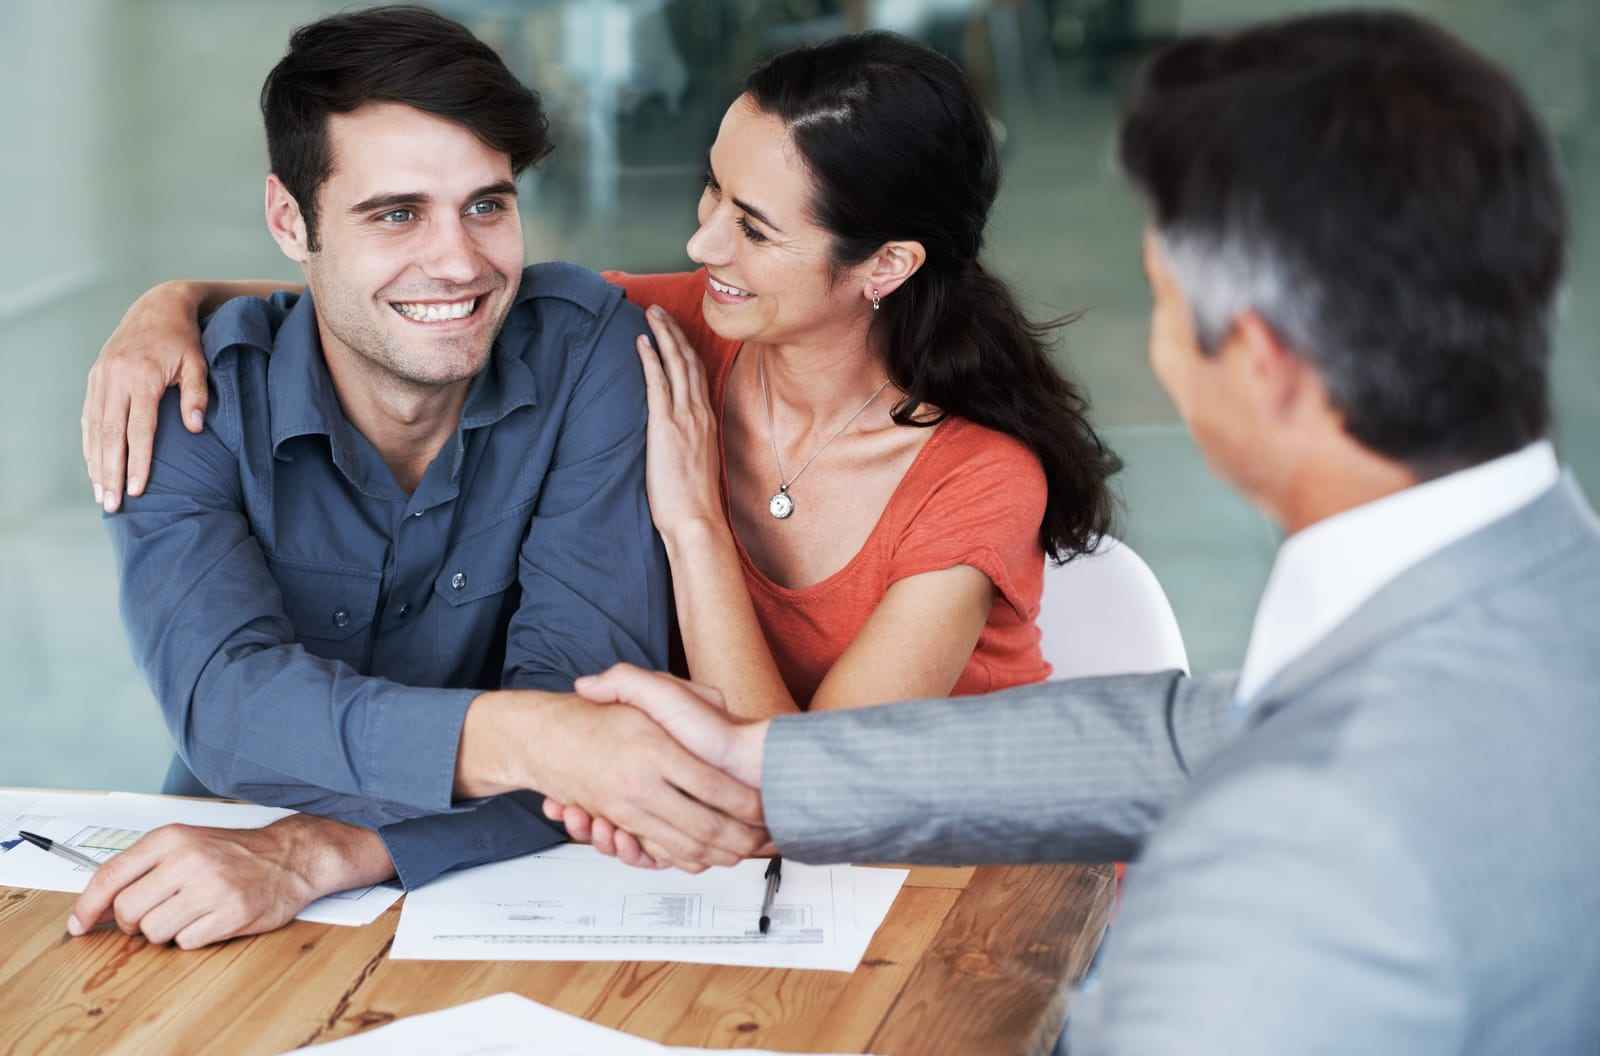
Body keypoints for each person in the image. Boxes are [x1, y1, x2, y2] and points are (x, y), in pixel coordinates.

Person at [547, 11, 1600, 1056]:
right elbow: (1192, 729)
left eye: (1164, 300)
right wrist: (779, 768)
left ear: (1258, 361)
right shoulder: (1514, 620)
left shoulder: (1297, 862)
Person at [83, 33, 1118, 862]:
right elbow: (416, 298)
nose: (702, 244)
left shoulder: (969, 476)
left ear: (884, 264)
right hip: (706, 851)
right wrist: (173, 304)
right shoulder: (671, 324)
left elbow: (798, 800)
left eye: (753, 228)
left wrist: (693, 524)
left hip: (953, 871)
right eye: (711, 193)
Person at [66, 5, 766, 951]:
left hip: (522, 895)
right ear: (289, 219)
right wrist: (533, 739)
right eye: (397, 213)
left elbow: (590, 712)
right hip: (218, 898)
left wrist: (325, 850)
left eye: (487, 203)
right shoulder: (183, 395)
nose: (459, 261)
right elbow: (227, 712)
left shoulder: (589, 353)